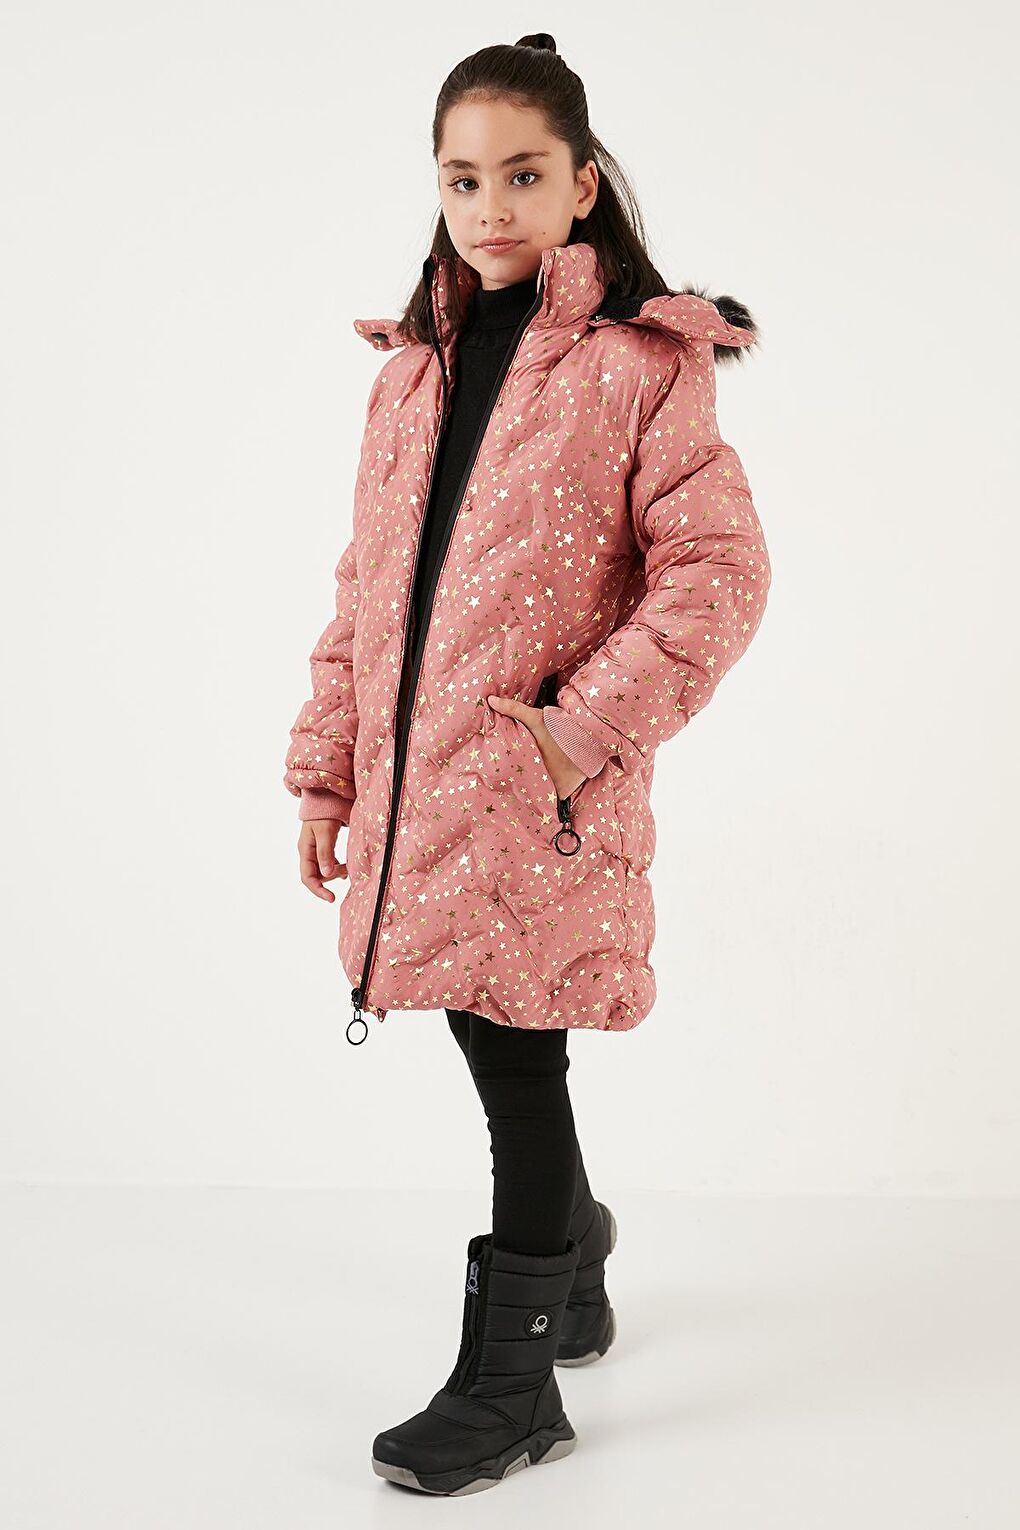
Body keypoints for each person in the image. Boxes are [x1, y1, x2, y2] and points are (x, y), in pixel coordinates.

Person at [282, 32, 771, 1496]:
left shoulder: (641, 368)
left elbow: (718, 572)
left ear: (581, 185)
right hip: (419, 785)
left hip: (535, 789)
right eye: (461, 179)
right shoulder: (412, 375)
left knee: (517, 1050)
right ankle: (580, 1252)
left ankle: (515, 1380)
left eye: (521, 175)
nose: (488, 207)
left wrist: (584, 724)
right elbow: (371, 587)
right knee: (490, 1033)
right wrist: (327, 768)